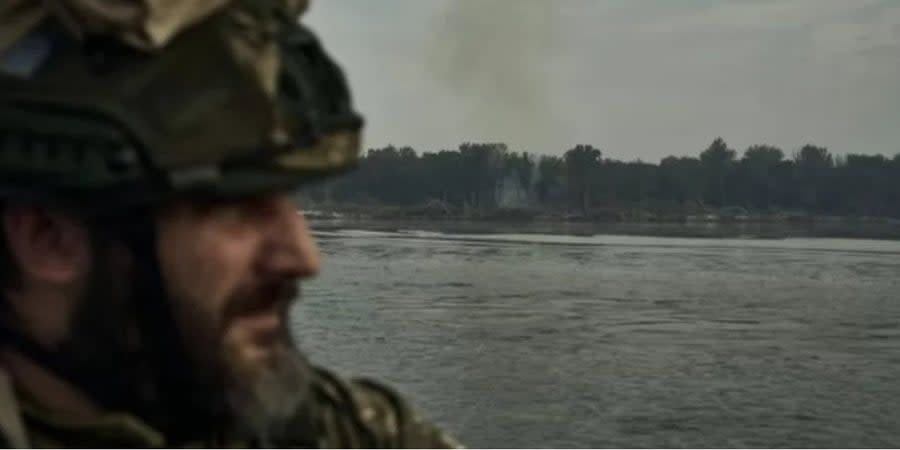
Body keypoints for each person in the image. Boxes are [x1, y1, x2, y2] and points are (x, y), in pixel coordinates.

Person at [0, 0, 460, 447]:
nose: (303, 256)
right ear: (48, 237)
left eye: (288, 197)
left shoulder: (342, 434)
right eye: (235, 205)